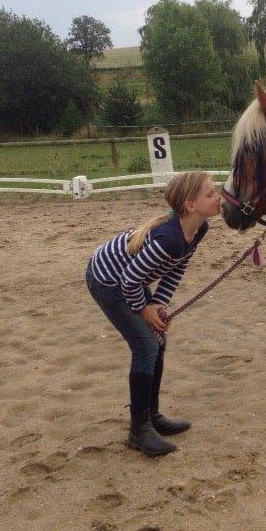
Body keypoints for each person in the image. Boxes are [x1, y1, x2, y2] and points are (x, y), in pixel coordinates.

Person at [86, 171, 221, 456]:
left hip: (129, 280)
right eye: (210, 194)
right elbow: (129, 280)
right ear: (190, 206)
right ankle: (138, 431)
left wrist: (159, 303)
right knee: (146, 345)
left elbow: (177, 268)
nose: (218, 197)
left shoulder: (199, 229)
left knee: (158, 340)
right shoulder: (168, 239)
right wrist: (143, 310)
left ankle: (152, 417)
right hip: (107, 280)